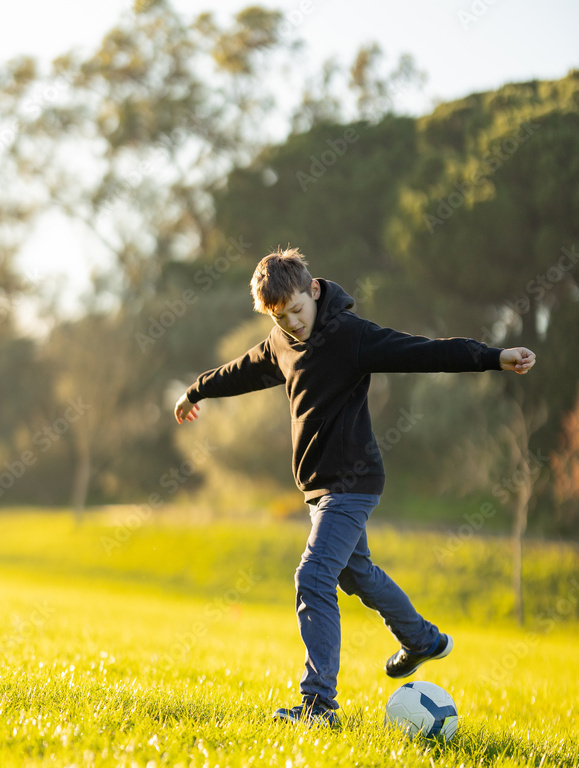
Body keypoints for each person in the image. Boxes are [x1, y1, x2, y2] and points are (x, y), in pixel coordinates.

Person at [174, 247, 536, 728]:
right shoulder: (280, 343)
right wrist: (195, 390)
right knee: (354, 573)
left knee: (314, 577)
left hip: (353, 482)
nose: (293, 324)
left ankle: (318, 705)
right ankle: (422, 640)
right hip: (320, 490)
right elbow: (240, 371)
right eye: (280, 318)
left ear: (314, 290)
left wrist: (493, 357)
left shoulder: (351, 336)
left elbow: (422, 351)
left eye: (298, 311)